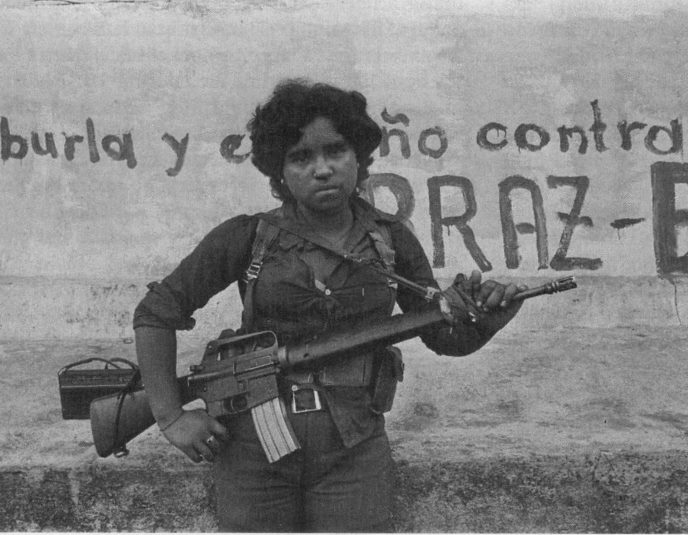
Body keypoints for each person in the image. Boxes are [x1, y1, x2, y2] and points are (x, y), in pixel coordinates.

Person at [133, 79, 526, 532]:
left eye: (336, 151)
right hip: (252, 448)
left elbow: (440, 334)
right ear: (278, 172)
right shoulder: (247, 237)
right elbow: (157, 312)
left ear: (360, 158)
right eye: (301, 158)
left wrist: (487, 321)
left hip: (353, 446)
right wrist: (170, 416)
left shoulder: (391, 239)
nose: (322, 169)